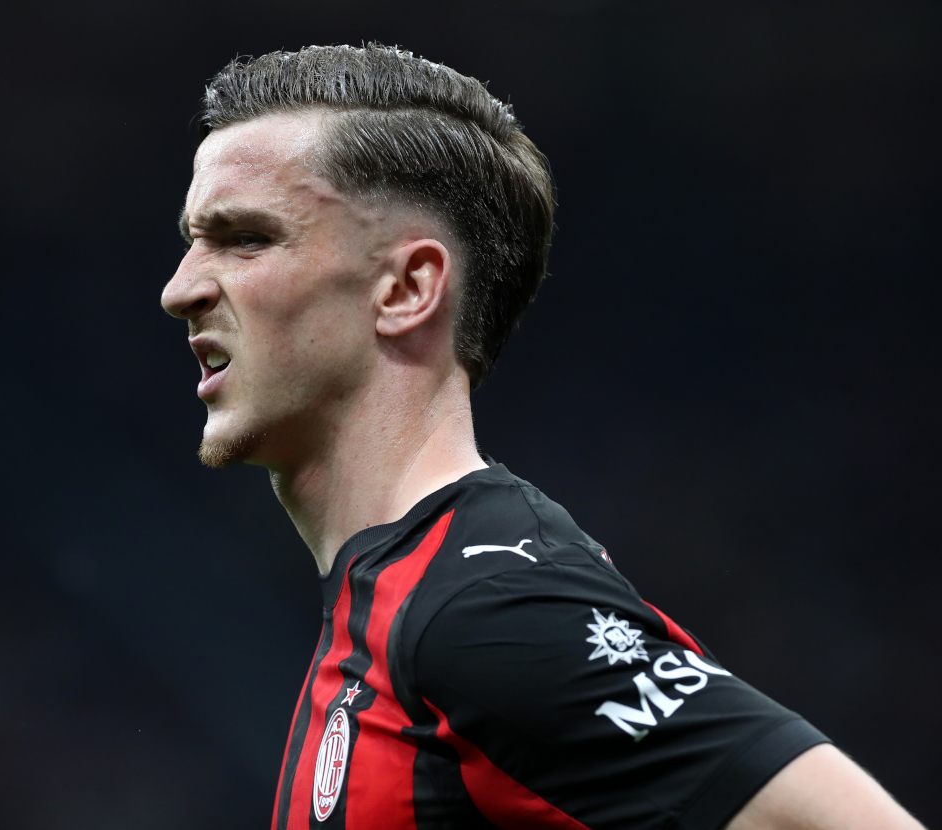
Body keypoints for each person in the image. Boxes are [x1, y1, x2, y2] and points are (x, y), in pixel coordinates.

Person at [160, 44, 923, 830]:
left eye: (245, 238)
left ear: (408, 288)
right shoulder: (401, 599)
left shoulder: (488, 607)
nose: (179, 289)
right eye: (191, 240)